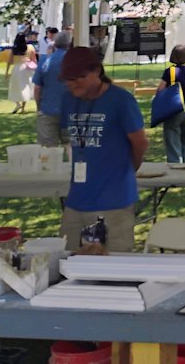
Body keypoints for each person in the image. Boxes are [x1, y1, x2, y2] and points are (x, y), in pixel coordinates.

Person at [58, 46, 149, 253]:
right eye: (68, 79)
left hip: (113, 201)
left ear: (96, 71)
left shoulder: (121, 100)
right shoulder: (68, 99)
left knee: (113, 265)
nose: (72, 84)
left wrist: (126, 170)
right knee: (67, 259)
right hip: (77, 198)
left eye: (78, 77)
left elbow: (140, 143)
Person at [33, 30, 73, 146]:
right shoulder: (75, 62)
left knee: (48, 150)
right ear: (69, 45)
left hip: (47, 109)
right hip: (71, 111)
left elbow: (37, 88)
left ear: (54, 44)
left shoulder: (45, 61)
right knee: (71, 146)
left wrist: (38, 106)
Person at [8, 46, 38, 114]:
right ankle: (23, 108)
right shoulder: (30, 47)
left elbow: (10, 61)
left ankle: (18, 104)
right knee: (26, 86)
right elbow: (34, 59)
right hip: (27, 68)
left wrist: (7, 72)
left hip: (17, 68)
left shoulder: (14, 49)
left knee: (15, 87)